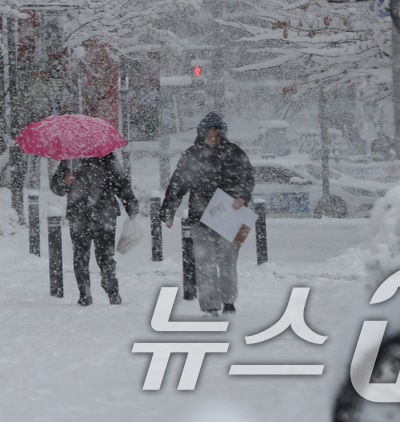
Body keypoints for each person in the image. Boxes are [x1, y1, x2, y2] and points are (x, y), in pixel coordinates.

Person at [160, 111, 254, 316]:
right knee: (205, 263)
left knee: (228, 262)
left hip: (230, 217)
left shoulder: (234, 153)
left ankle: (229, 301)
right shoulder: (192, 155)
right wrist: (168, 211)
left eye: (217, 135)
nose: (213, 139)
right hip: (200, 218)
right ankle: (210, 306)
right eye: (209, 135)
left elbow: (248, 178)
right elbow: (178, 184)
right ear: (201, 135)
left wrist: (242, 197)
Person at [51, 151, 139, 306]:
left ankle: (93, 294)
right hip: (99, 214)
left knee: (84, 257)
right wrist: (64, 181)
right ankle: (107, 292)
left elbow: (120, 182)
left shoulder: (74, 158)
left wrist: (131, 205)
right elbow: (121, 183)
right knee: (98, 256)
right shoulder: (103, 157)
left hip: (88, 214)